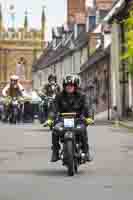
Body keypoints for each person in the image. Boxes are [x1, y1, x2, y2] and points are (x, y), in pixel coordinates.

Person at [46, 74, 94, 162]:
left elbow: (87, 107)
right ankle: (55, 152)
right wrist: (50, 119)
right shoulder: (59, 96)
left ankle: (86, 152)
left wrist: (89, 117)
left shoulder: (82, 96)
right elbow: (54, 108)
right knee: (55, 130)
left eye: (71, 86)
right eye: (67, 86)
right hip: (62, 120)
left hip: (78, 119)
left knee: (83, 130)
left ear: (75, 86)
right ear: (64, 86)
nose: (69, 87)